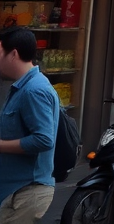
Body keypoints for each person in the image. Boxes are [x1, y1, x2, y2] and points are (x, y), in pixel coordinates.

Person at [0, 27, 59, 224]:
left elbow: (44, 139)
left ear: (13, 54)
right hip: (15, 190)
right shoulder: (21, 86)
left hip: (27, 191)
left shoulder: (34, 90)